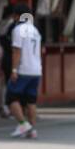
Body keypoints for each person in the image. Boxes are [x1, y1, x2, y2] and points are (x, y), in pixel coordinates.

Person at [6, 8, 44, 139]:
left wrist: (14, 70)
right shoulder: (35, 30)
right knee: (31, 100)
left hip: (24, 69)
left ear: (18, 16)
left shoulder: (18, 30)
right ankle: (32, 130)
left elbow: (17, 51)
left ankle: (23, 123)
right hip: (36, 70)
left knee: (11, 97)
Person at [0, 3, 20, 119]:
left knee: (5, 83)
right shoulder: (11, 25)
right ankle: (10, 107)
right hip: (9, 55)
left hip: (0, 54)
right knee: (12, 83)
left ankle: (3, 106)